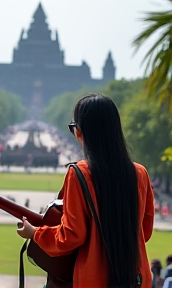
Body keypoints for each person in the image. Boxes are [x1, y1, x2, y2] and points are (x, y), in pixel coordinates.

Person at [17, 94, 155, 288]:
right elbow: (144, 231)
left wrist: (35, 233)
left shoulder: (79, 173)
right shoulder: (140, 173)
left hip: (93, 278)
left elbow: (72, 236)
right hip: (136, 276)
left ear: (80, 132)